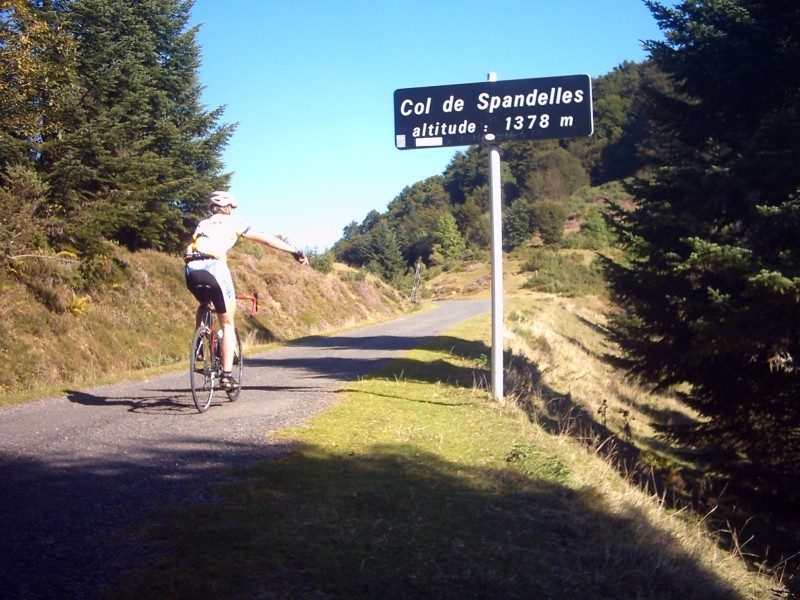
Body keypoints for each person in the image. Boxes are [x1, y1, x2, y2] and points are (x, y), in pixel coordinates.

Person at [184, 190, 308, 390]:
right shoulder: (232, 222)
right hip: (214, 268)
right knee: (227, 323)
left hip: (190, 268)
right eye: (232, 208)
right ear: (227, 208)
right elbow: (265, 238)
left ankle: (199, 345)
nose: (233, 211)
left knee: (204, 304)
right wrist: (294, 250)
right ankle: (226, 376)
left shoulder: (203, 223)